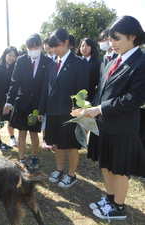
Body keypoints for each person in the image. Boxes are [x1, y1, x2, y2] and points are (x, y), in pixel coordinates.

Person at [72, 15, 145, 220]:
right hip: (103, 124)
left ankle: (119, 208)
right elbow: (101, 90)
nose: (111, 43)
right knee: (105, 164)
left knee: (119, 168)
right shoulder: (112, 58)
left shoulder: (141, 62)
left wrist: (101, 109)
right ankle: (111, 199)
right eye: (110, 39)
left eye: (116, 38)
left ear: (133, 36)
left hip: (122, 127)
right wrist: (88, 109)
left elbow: (135, 98)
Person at [37, 28, 89, 188]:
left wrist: (80, 111)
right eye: (51, 46)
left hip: (70, 112)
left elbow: (82, 90)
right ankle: (59, 169)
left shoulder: (79, 63)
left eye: (56, 45)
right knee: (57, 143)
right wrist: (41, 109)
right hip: (53, 111)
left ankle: (71, 174)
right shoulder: (51, 65)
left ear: (67, 43)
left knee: (72, 145)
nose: (53, 49)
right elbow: (46, 89)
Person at [3, 33, 52, 171]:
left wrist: (42, 109)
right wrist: (9, 103)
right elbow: (14, 83)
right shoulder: (21, 60)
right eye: (31, 47)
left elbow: (46, 88)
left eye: (36, 46)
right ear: (27, 48)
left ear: (41, 46)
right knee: (22, 132)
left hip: (37, 104)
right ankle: (22, 159)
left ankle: (35, 156)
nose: (34, 49)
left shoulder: (48, 62)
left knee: (34, 133)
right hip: (22, 103)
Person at [0, 46, 19, 149]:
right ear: (5, 55)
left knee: (3, 119)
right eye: (9, 55)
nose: (11, 58)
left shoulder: (13, 68)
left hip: (6, 99)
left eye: (14, 56)